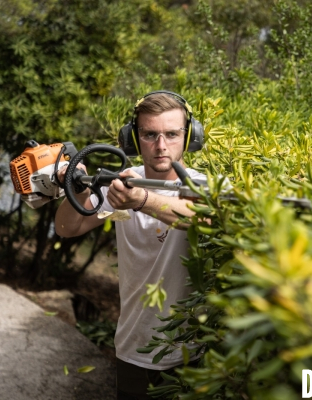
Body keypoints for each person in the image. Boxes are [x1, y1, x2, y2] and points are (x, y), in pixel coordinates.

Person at [54, 91, 206, 399]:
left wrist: (143, 200)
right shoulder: (123, 185)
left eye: (172, 134)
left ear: (189, 137)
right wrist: (78, 187)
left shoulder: (206, 187)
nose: (161, 146)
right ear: (134, 140)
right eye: (150, 134)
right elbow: (67, 228)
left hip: (194, 351)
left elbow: (203, 219)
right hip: (134, 346)